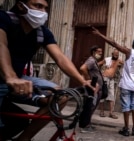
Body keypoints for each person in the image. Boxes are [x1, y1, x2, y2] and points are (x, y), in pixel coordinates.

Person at [0, 0, 95, 140]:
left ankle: (24, 139)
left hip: (20, 81)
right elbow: (1, 45)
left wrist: (82, 81)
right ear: (21, 6)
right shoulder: (4, 18)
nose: (43, 12)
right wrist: (11, 76)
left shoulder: (42, 32)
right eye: (37, 6)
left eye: (45, 8)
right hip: (8, 79)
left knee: (60, 97)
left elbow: (60, 58)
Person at [92, 27, 134, 136]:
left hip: (126, 85)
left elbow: (114, 43)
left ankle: (126, 129)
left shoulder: (129, 52)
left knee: (126, 106)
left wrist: (100, 35)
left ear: (132, 45)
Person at [79, 45, 104, 132]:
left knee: (92, 106)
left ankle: (87, 123)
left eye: (101, 52)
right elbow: (82, 68)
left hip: (96, 88)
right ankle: (85, 125)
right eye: (99, 52)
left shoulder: (94, 61)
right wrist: (89, 79)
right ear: (93, 52)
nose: (101, 53)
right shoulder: (91, 60)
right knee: (90, 106)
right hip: (93, 88)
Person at [98, 49, 123, 119]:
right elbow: (98, 64)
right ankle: (102, 111)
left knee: (111, 95)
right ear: (112, 54)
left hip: (112, 79)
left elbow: (124, 65)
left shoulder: (119, 61)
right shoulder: (107, 59)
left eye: (117, 55)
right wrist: (99, 73)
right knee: (103, 95)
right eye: (115, 55)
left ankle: (111, 113)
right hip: (105, 78)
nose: (116, 56)